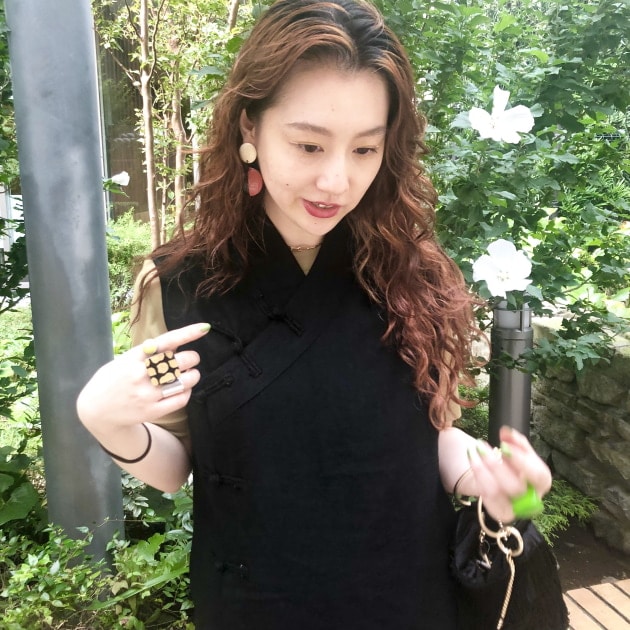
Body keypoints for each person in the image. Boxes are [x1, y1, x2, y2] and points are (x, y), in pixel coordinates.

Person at [77, 1, 552, 627]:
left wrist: (505, 487)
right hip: (256, 601)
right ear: (249, 127)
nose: (336, 180)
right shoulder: (180, 285)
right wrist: (106, 421)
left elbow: (426, 438)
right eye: (308, 144)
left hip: (405, 597)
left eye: (364, 149)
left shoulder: (414, 274)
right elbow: (177, 467)